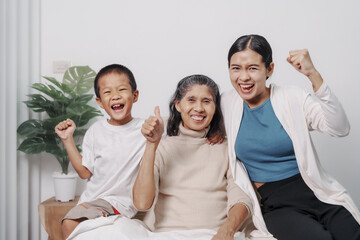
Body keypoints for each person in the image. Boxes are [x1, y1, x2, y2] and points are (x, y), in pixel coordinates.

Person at [221, 34, 360, 239]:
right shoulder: (226, 103)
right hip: (276, 203)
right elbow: (193, 116)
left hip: (315, 191)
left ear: (269, 69)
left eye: (252, 68)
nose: (243, 77)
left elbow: (339, 128)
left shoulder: (291, 98)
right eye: (236, 68)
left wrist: (313, 74)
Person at [133, 74, 253, 240]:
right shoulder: (162, 147)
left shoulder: (226, 147)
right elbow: (141, 203)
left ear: (215, 107)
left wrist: (227, 230)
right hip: (168, 235)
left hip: (215, 235)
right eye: (191, 100)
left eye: (206, 101)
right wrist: (151, 144)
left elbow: (241, 198)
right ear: (178, 105)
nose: (199, 108)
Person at [55, 64, 146, 239]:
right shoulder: (96, 131)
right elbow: (84, 172)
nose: (115, 96)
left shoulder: (145, 129)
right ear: (100, 102)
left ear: (135, 96)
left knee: (69, 224)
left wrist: (213, 134)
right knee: (68, 225)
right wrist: (67, 140)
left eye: (121, 89)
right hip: (93, 201)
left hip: (120, 203)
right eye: (107, 92)